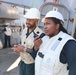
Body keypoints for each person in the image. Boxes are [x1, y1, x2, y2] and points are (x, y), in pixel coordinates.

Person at [32, 10, 76, 75]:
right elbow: (35, 57)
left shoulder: (68, 43)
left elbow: (74, 69)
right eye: (44, 24)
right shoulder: (43, 38)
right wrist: (35, 47)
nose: (45, 27)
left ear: (57, 26)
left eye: (48, 24)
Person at [13, 8, 45, 75]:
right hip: (22, 63)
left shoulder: (41, 35)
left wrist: (24, 49)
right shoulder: (24, 31)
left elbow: (38, 54)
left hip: (31, 65)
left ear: (36, 22)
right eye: (27, 19)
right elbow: (23, 44)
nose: (27, 22)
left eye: (30, 20)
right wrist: (18, 48)